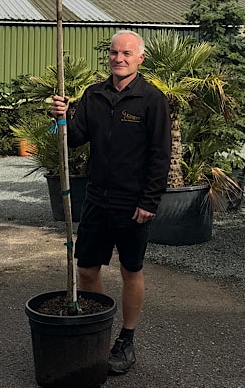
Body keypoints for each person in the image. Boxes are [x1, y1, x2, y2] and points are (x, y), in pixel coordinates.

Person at [51, 30, 171, 376]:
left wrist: (150, 200)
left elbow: (160, 155)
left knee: (130, 270)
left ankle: (126, 338)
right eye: (114, 53)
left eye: (127, 54)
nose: (119, 58)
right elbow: (74, 139)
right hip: (97, 199)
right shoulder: (94, 95)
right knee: (87, 269)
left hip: (133, 203)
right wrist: (62, 116)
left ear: (140, 59)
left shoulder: (151, 99)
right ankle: (97, 330)